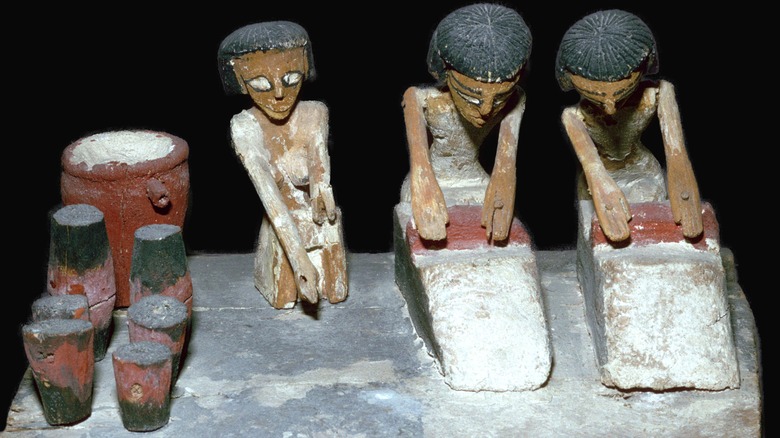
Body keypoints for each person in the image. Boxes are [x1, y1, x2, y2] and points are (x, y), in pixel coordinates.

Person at [218, 21, 348, 309]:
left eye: (291, 78)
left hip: (314, 220)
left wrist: (321, 189)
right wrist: (298, 259)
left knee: (330, 222)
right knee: (287, 285)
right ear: (239, 80)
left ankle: (330, 284)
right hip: (282, 226)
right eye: (260, 84)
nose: (279, 93)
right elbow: (270, 197)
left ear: (305, 67)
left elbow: (319, 168)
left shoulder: (314, 114)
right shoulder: (245, 127)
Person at [557, 9, 703, 242]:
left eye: (622, 92)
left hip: (644, 172)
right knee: (598, 234)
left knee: (652, 216)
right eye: (595, 96)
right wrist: (600, 185)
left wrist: (684, 192)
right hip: (598, 181)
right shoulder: (573, 117)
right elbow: (593, 168)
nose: (610, 108)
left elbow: (677, 156)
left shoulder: (659, 94)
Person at [400, 3, 532, 243]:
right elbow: (420, 167)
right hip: (430, 180)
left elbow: (505, 167)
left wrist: (502, 187)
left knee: (497, 232)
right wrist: (424, 190)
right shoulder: (419, 99)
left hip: (477, 181)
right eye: (471, 95)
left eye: (500, 97)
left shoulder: (516, 100)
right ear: (445, 73)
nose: (486, 110)